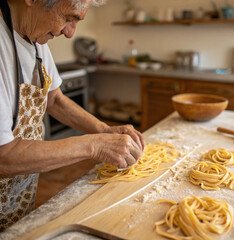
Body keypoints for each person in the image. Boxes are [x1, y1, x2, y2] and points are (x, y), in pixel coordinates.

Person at [0, 0, 145, 232]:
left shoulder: (35, 38)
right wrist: (93, 146)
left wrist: (103, 130)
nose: (69, 34)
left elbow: (54, 99)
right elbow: (3, 156)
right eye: (68, 18)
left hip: (16, 194)